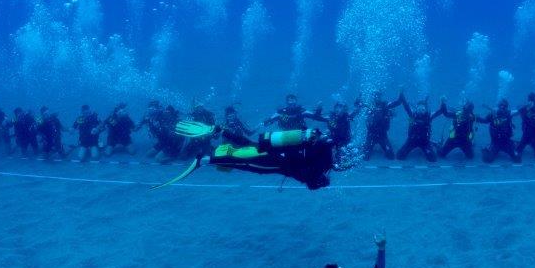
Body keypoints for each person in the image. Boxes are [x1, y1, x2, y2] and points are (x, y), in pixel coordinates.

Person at [159, 124, 337, 190]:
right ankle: (205, 160)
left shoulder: (323, 151)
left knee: (250, 146)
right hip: (277, 162)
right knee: (246, 163)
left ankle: (222, 131)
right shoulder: (322, 165)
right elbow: (310, 182)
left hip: (278, 148)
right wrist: (322, 181)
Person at [361, 91, 402, 160]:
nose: (377, 97)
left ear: (381, 97)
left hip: (382, 134)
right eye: (375, 96)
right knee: (365, 157)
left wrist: (401, 94)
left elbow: (397, 103)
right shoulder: (369, 105)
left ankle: (380, 144)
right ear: (373, 97)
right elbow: (359, 105)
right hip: (371, 134)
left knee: (391, 156)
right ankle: (366, 145)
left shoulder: (385, 104)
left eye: (378, 96)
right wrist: (359, 100)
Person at [396, 96, 437, 161]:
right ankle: (432, 142)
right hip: (412, 140)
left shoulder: (428, 116)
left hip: (424, 142)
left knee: (433, 159)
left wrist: (443, 104)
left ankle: (431, 143)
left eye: (422, 109)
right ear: (416, 108)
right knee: (399, 156)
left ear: (425, 110)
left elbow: (438, 112)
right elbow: (406, 107)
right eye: (419, 108)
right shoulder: (412, 114)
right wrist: (402, 95)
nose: (420, 111)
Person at [515, 93, 535, 160]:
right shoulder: (524, 108)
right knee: (520, 147)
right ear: (528, 100)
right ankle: (520, 144)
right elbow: (517, 110)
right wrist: (527, 107)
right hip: (526, 133)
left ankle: (531, 143)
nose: (532, 102)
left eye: (534, 101)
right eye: (531, 100)